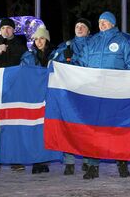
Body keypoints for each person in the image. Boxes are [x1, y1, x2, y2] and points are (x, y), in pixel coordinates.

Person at [75, 11, 130, 179]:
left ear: (113, 23)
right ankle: (92, 166)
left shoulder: (124, 40)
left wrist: (126, 87)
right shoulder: (92, 42)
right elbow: (80, 64)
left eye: (105, 21)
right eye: (100, 21)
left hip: (116, 94)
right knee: (94, 131)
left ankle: (122, 162)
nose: (102, 24)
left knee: (119, 129)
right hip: (95, 93)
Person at [0, 18, 28, 171]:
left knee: (14, 125)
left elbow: (26, 66)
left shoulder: (21, 47)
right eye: (4, 28)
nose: (6, 30)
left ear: (13, 30)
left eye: (9, 28)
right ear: (0, 30)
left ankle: (16, 159)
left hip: (14, 92)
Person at [51, 17, 92, 175]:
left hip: (88, 91)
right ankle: (69, 161)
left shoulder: (94, 44)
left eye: (83, 26)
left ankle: (88, 160)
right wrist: (64, 58)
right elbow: (52, 62)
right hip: (69, 92)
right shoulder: (66, 45)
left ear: (88, 30)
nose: (80, 28)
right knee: (69, 125)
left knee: (87, 126)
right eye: (77, 25)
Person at [20, 25, 54, 174]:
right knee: (34, 129)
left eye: (42, 38)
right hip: (33, 98)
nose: (39, 42)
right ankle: (36, 161)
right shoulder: (28, 56)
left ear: (46, 40)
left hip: (49, 97)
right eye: (36, 39)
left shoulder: (54, 56)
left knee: (46, 129)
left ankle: (44, 160)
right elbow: (23, 75)